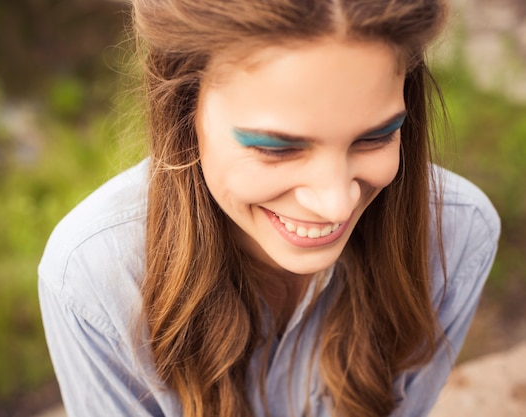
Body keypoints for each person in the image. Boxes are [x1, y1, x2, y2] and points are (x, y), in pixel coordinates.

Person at [38, 0, 501, 416]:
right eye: (277, 148)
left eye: (376, 137)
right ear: (184, 111)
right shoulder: (95, 275)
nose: (336, 202)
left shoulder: (458, 232)